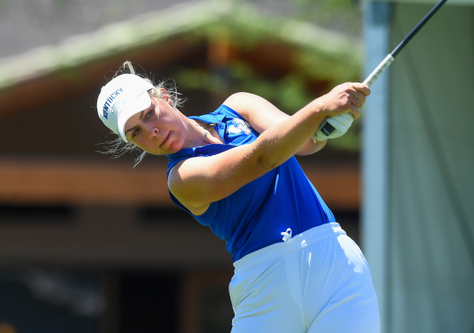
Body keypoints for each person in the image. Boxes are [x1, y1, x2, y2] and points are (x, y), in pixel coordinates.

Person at [96, 61, 380, 332]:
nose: (153, 132)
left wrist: (327, 125)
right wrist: (319, 107)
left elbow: (304, 141)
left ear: (165, 97)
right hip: (265, 283)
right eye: (136, 133)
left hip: (333, 261)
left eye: (148, 114)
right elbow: (261, 159)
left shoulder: (239, 106)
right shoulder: (181, 178)